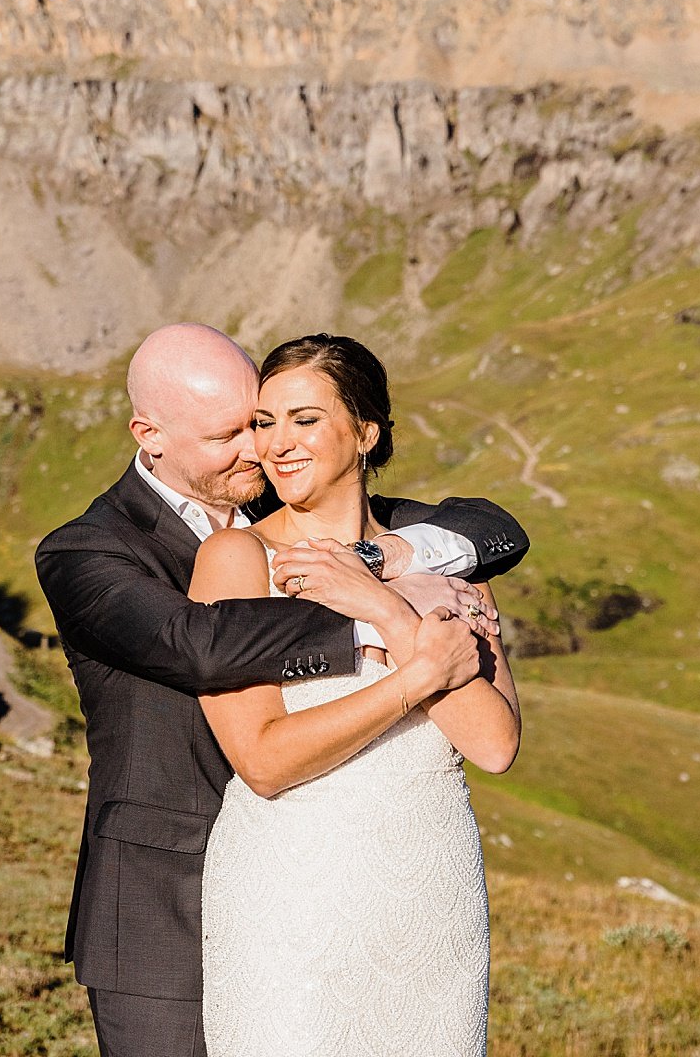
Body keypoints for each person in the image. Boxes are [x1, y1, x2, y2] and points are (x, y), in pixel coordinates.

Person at [35, 323, 528, 1057]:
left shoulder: (394, 536)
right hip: (177, 890)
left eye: (264, 421)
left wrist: (389, 568)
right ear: (151, 435)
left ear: (363, 433)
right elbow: (197, 647)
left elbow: (496, 530)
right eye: (237, 431)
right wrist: (389, 625)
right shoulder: (89, 551)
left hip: (413, 888)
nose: (259, 448)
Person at [192, 333, 518, 1056]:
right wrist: (417, 678)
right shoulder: (236, 560)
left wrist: (386, 607)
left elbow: (494, 745)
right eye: (265, 423)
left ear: (365, 432)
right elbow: (264, 761)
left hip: (429, 896)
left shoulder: (442, 561)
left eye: (304, 420)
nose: (277, 444)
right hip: (291, 897)